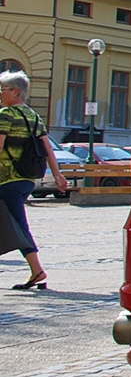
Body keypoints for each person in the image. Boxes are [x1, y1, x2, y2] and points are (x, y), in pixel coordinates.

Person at [0, 70, 69, 290]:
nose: (0, 94)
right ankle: (36, 270)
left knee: (19, 225)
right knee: (13, 223)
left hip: (7, 179)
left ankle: (37, 270)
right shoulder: (33, 116)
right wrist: (57, 174)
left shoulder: (6, 114)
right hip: (27, 180)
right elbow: (47, 147)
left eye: (3, 89)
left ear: (15, 91)